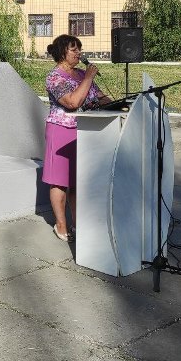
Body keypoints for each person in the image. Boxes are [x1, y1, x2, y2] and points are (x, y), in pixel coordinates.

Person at [43, 34, 111, 241]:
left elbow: (100, 99)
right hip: (62, 129)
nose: (79, 53)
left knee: (78, 180)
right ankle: (61, 224)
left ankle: (79, 223)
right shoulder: (54, 77)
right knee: (60, 181)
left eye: (79, 49)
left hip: (85, 131)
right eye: (74, 50)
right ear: (62, 52)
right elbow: (72, 102)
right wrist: (89, 78)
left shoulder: (81, 74)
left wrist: (122, 105)